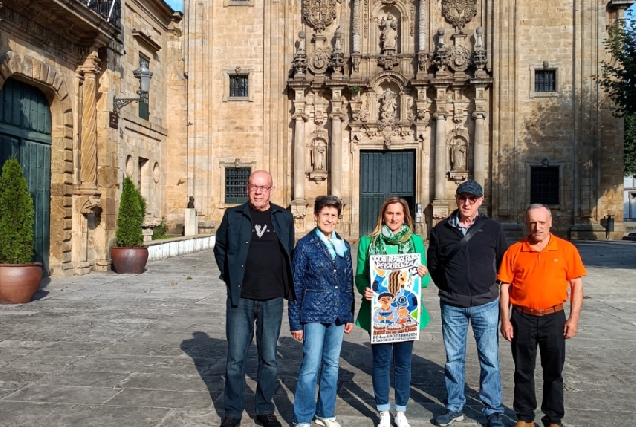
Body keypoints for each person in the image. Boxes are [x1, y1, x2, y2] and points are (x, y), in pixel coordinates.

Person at [213, 170, 295, 427]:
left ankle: (264, 409)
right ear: (247, 189)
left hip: (272, 299)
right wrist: (230, 277)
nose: (258, 191)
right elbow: (220, 248)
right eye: (254, 187)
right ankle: (233, 412)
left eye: (263, 187)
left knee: (269, 359)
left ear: (271, 190)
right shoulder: (233, 215)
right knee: (235, 359)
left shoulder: (284, 217)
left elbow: (288, 251)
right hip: (241, 299)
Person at [427, 180, 508, 427]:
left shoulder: (493, 229)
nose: (467, 203)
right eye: (463, 198)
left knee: (490, 359)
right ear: (457, 199)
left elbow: (504, 262)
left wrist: (488, 286)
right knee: (454, 359)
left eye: (472, 199)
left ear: (480, 201)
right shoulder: (440, 230)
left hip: (486, 303)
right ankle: (454, 407)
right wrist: (450, 286)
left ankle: (493, 408)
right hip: (453, 304)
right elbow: (434, 266)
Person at [498, 205, 585, 427]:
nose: (538, 227)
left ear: (550, 222)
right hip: (522, 318)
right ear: (527, 224)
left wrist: (573, 319)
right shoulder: (515, 250)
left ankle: (553, 418)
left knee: (554, 371)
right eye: (533, 223)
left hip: (553, 318)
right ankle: (524, 417)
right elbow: (505, 286)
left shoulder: (566, 250)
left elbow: (576, 285)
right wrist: (506, 320)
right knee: (522, 370)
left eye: (542, 222)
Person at [355, 196, 431, 427]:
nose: (394, 218)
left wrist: (422, 273)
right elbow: (360, 275)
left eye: (398, 214)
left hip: (406, 313)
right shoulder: (368, 242)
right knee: (380, 363)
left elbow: (424, 282)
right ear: (383, 215)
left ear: (405, 216)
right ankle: (383, 412)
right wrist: (365, 290)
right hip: (380, 314)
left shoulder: (416, 241)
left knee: (403, 364)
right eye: (390, 213)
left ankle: (401, 411)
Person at [288, 195, 355, 427]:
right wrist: (295, 322)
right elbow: (295, 285)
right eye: (325, 214)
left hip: (338, 314)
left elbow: (348, 282)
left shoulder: (344, 246)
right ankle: (303, 417)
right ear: (316, 216)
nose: (329, 219)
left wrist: (349, 315)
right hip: (313, 314)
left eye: (333, 215)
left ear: (338, 218)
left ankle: (325, 413)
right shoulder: (305, 245)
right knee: (310, 366)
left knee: (332, 366)